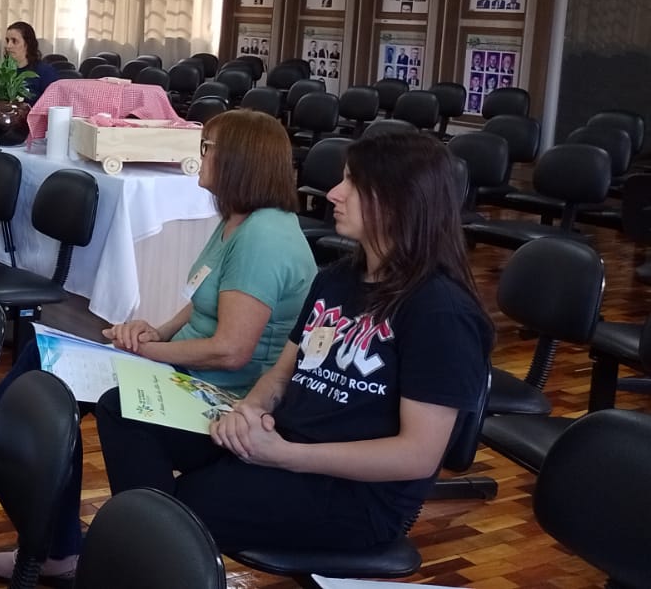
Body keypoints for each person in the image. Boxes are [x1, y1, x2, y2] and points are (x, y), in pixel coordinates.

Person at [93, 131, 493, 553]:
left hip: (353, 494)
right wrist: (248, 412)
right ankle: (150, 550)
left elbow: (417, 455)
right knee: (122, 410)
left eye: (353, 183)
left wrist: (283, 455)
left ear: (398, 201)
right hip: (284, 440)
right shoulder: (336, 279)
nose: (334, 193)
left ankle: (148, 549)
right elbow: (281, 375)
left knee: (178, 510)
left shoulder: (441, 312)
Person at [0, 110, 319, 579]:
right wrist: (155, 331)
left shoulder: (263, 237)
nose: (199, 156)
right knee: (47, 361)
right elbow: (201, 300)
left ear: (239, 161)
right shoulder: (237, 220)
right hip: (188, 372)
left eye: (207, 148)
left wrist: (147, 352)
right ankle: (46, 530)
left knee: (72, 387)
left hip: (223, 394)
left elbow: (230, 350)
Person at [4, 20, 61, 102]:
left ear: (28, 43)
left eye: (14, 41)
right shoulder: (5, 72)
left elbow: (55, 102)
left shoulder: (45, 72)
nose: (8, 46)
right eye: (7, 40)